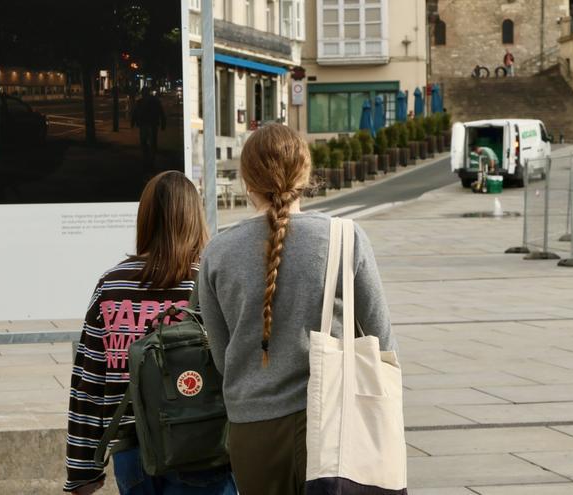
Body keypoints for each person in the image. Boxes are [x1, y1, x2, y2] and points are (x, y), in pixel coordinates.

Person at [198, 124, 397, 495]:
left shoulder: (218, 254)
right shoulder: (344, 237)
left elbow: (223, 358)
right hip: (334, 423)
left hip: (252, 429)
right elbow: (382, 341)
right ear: (306, 174)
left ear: (247, 180)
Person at [65, 171, 236, 495]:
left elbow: (88, 383)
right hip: (205, 449)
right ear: (194, 217)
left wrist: (82, 470)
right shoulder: (210, 284)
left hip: (133, 454)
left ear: (145, 219)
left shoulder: (112, 286)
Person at [132, 87, 167, 169]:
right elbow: (161, 112)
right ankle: (151, 159)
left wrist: (133, 122)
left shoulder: (140, 102)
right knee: (152, 142)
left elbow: (135, 112)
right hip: (152, 124)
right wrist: (163, 123)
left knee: (145, 142)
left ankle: (147, 158)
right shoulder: (155, 101)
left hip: (145, 124)